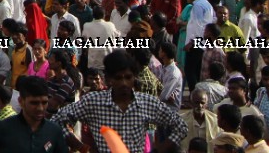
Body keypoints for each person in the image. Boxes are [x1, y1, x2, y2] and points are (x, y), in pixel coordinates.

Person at [52, 51, 185, 153]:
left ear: (134, 78)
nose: (124, 83)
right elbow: (56, 120)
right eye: (118, 78)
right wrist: (79, 146)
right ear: (109, 79)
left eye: (128, 77)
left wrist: (158, 150)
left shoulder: (147, 103)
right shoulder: (93, 101)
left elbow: (181, 126)